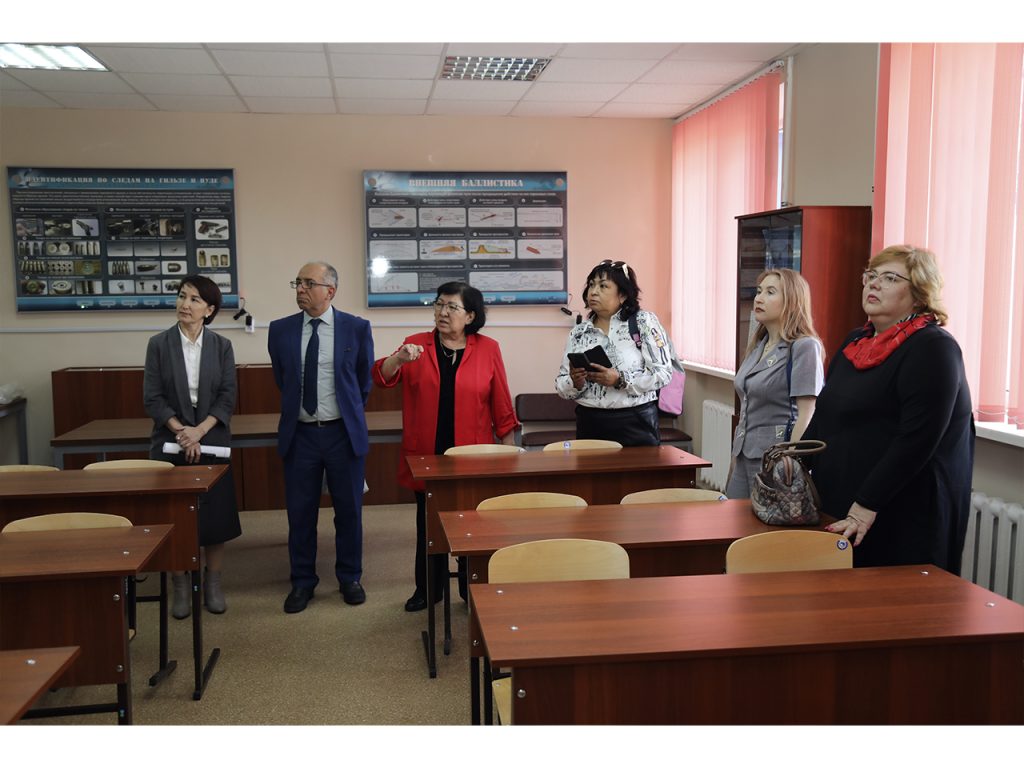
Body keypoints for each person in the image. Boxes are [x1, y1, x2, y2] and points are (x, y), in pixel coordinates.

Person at [803, 245, 975, 571]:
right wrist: (795, 462)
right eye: (871, 275)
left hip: (899, 511)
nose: (874, 283)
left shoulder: (933, 347)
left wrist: (866, 505)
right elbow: (826, 412)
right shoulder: (856, 341)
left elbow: (917, 439)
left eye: (890, 278)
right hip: (841, 500)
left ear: (919, 294)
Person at [373, 282, 519, 612]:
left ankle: (470, 588)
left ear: (470, 316)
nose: (443, 312)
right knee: (428, 524)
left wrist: (509, 454)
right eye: (439, 304)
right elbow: (382, 377)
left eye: (452, 307)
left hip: (472, 457)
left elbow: (500, 403)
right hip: (427, 454)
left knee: (471, 524)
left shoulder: (488, 348)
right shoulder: (416, 345)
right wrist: (398, 358)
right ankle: (428, 589)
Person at [268, 261, 373, 614]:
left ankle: (350, 577)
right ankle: (302, 581)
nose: (300, 289)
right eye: (297, 282)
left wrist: (344, 414)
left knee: (349, 511)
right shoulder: (280, 330)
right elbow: (283, 380)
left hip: (343, 433)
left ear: (330, 290)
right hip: (300, 435)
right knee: (300, 513)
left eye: (308, 283)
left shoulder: (356, 328)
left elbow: (363, 382)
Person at [143, 274, 240, 618]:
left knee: (215, 518)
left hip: (211, 437)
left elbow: (227, 397)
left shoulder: (222, 346)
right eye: (182, 296)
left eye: (194, 299)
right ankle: (180, 584)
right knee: (174, 519)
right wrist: (182, 431)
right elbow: (153, 398)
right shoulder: (159, 344)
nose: (185, 304)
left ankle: (212, 582)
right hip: (170, 439)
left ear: (209, 310)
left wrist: (199, 431)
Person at [726, 269, 824, 499]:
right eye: (759, 291)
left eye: (770, 292)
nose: (759, 298)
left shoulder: (804, 346)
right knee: (731, 517)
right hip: (743, 453)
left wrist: (791, 462)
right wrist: (734, 456)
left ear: (792, 300)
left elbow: (807, 414)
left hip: (777, 458)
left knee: (765, 521)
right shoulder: (759, 345)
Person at [555, 259, 674, 445]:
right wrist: (575, 381)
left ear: (623, 295)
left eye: (603, 286)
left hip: (635, 423)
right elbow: (562, 386)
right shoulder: (578, 333)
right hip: (590, 423)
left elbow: (663, 374)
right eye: (591, 285)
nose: (593, 291)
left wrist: (620, 380)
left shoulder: (643, 323)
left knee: (639, 467)